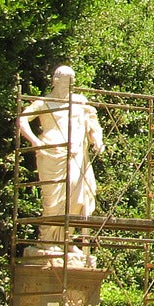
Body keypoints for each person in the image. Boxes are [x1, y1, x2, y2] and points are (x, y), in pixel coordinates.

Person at [17, 66, 105, 254]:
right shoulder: (45, 102)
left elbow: (92, 124)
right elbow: (22, 119)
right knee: (53, 198)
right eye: (65, 80)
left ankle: (66, 238)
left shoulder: (80, 102)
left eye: (71, 81)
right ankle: (47, 239)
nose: (68, 84)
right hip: (52, 154)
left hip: (76, 155)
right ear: (55, 80)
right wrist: (35, 142)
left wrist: (97, 139)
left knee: (76, 197)